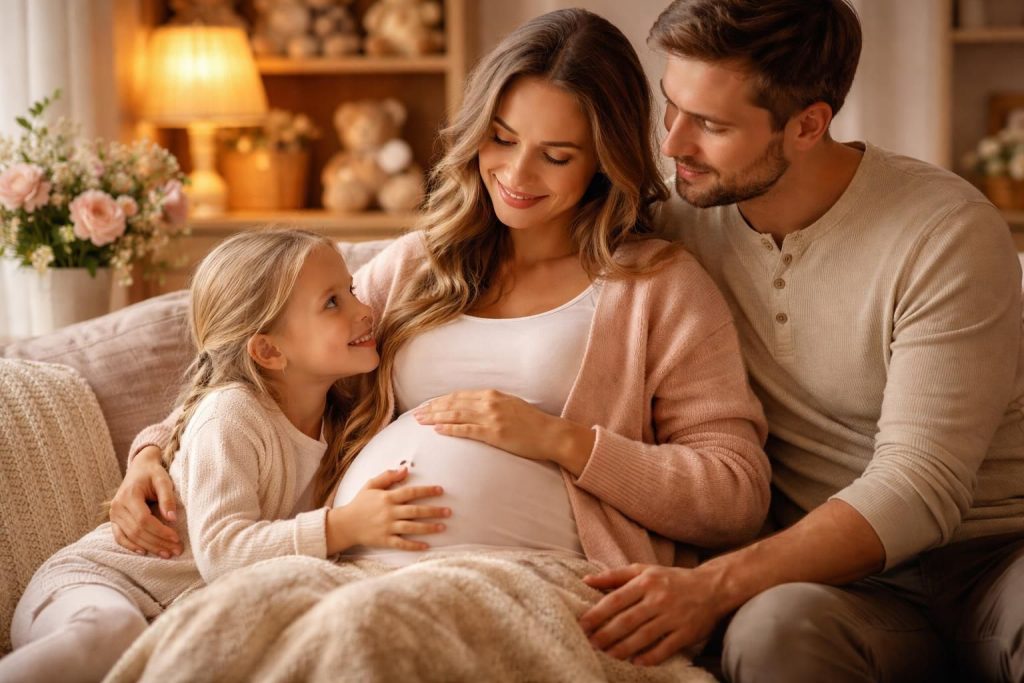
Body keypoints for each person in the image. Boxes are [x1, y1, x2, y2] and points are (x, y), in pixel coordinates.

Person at [106, 5, 768, 652]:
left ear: (604, 158)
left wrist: (559, 440)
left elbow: (734, 493)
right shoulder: (421, 264)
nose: (516, 174)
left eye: (556, 155)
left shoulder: (656, 286)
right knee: (229, 638)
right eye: (501, 138)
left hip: (532, 581)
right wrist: (152, 454)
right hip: (346, 570)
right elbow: (266, 361)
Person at [579, 2, 1024, 681]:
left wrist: (714, 586)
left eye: (711, 124)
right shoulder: (670, 225)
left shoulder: (943, 231)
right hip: (833, 585)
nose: (672, 145)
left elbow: (920, 484)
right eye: (671, 106)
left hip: (996, 556)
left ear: (808, 125)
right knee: (772, 634)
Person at [0, 230, 452, 683]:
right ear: (269, 350)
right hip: (94, 586)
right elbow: (222, 551)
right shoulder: (232, 413)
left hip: (168, 613)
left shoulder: (340, 417)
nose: (365, 309)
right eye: (333, 302)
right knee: (112, 633)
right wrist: (344, 526)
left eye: (351, 290)